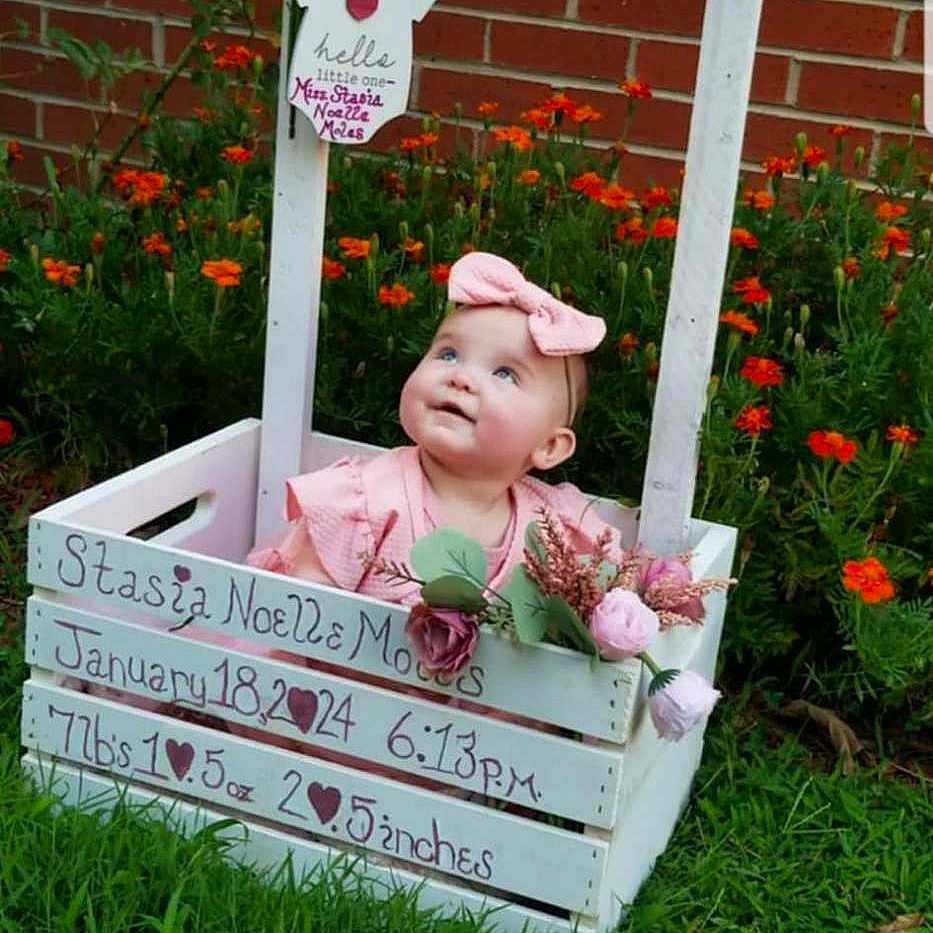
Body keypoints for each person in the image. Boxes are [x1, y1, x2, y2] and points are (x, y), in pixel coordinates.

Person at [247, 250, 623, 594]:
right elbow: (302, 609)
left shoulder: (554, 531)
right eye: (448, 354)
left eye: (505, 374)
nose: (460, 378)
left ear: (549, 446)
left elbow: (613, 593)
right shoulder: (368, 500)